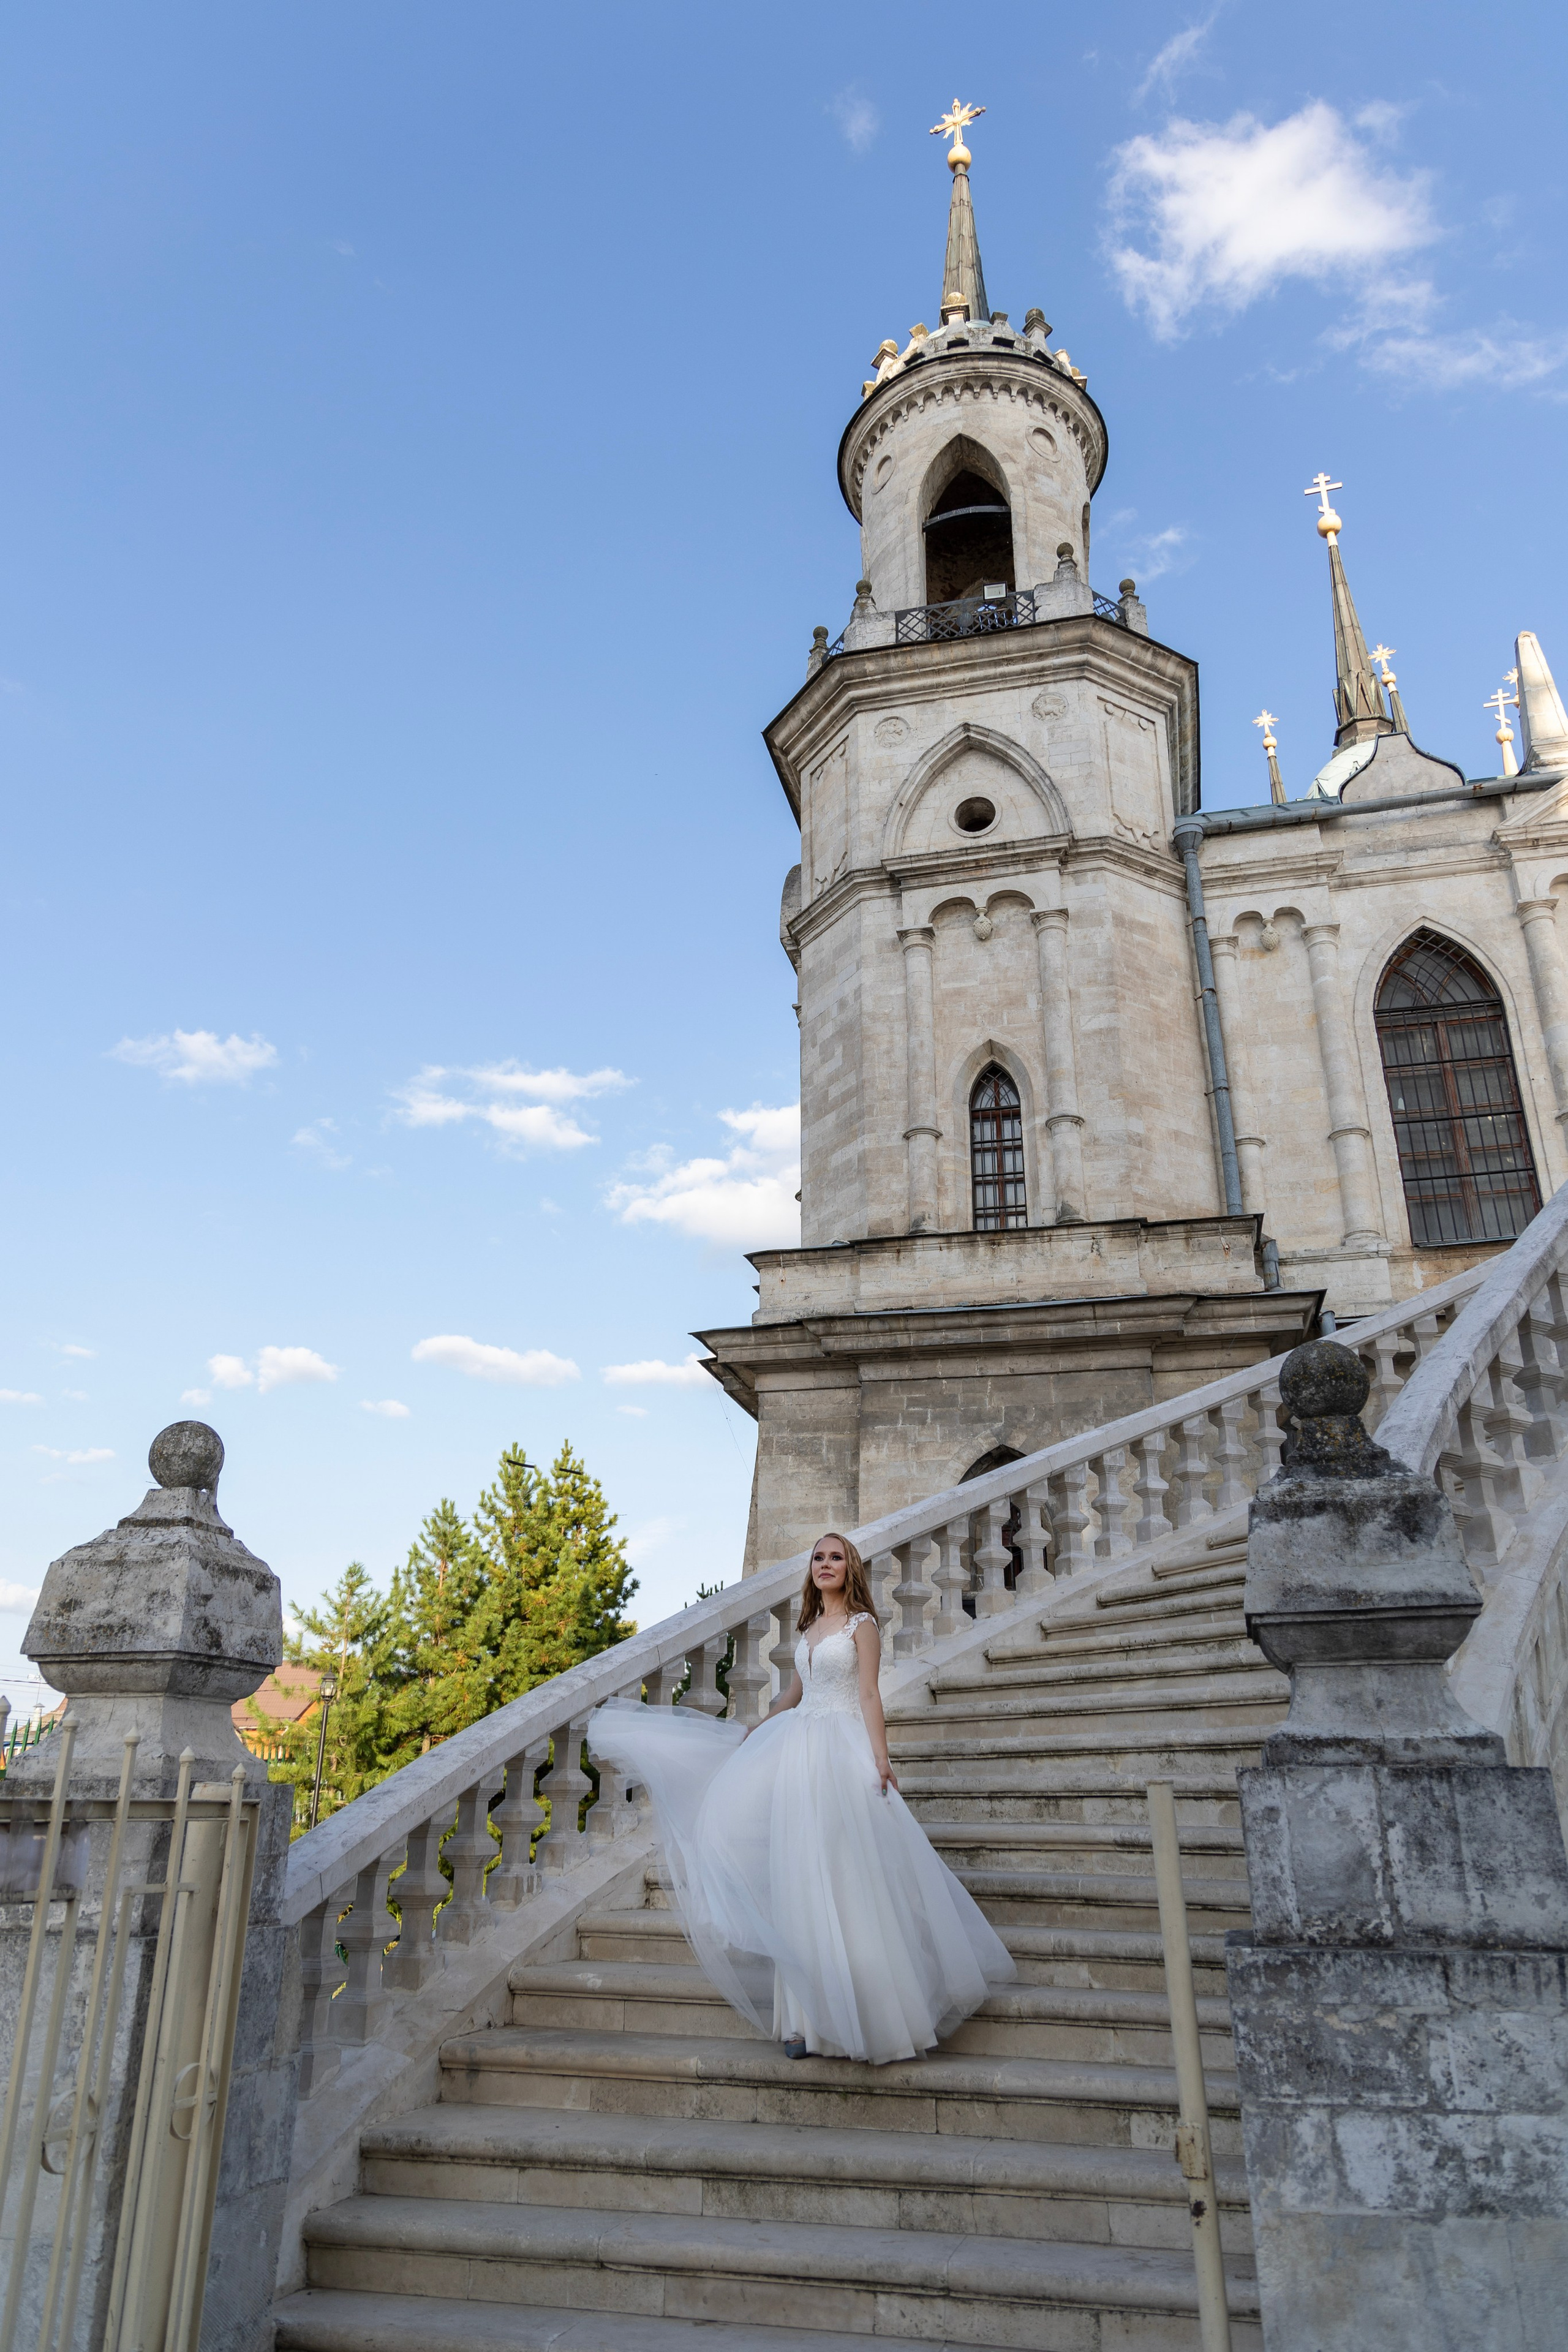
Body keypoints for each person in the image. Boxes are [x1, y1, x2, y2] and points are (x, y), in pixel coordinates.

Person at [588, 1531, 1016, 2065]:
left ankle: (870, 2016)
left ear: (851, 1569)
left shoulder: (863, 1627)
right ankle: (803, 2023)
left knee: (845, 1874)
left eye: (836, 1558)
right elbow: (794, 1695)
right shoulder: (809, 1628)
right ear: (811, 1569)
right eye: (819, 1558)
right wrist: (755, 1731)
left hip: (841, 1753)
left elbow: (867, 1694)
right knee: (801, 1876)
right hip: (799, 1755)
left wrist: (881, 1758)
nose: (826, 1565)